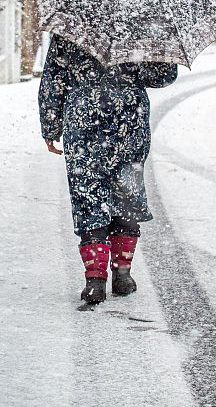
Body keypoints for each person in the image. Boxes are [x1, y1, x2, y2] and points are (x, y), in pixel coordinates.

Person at [38, 33, 178, 307]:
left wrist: (50, 125)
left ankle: (95, 279)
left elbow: (54, 80)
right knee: (126, 193)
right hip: (129, 119)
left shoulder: (72, 24)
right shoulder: (140, 23)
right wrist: (158, 48)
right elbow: (162, 76)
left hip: (84, 119)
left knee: (88, 196)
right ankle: (122, 274)